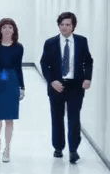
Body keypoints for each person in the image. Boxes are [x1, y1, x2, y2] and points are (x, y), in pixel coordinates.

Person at [40, 12, 93, 164]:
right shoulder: (50, 43)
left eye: (68, 25)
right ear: (58, 26)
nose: (64, 27)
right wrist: (52, 81)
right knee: (57, 117)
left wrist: (87, 78)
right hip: (57, 86)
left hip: (75, 86)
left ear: (73, 26)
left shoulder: (81, 41)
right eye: (62, 24)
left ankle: (73, 150)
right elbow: (44, 63)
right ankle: (58, 147)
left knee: (74, 119)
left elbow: (88, 61)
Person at [0, 18, 25, 163]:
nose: (7, 30)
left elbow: (18, 67)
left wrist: (22, 87)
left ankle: (7, 148)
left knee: (9, 117)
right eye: (4, 27)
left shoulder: (18, 47)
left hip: (12, 82)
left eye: (10, 27)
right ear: (0, 30)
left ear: (14, 30)